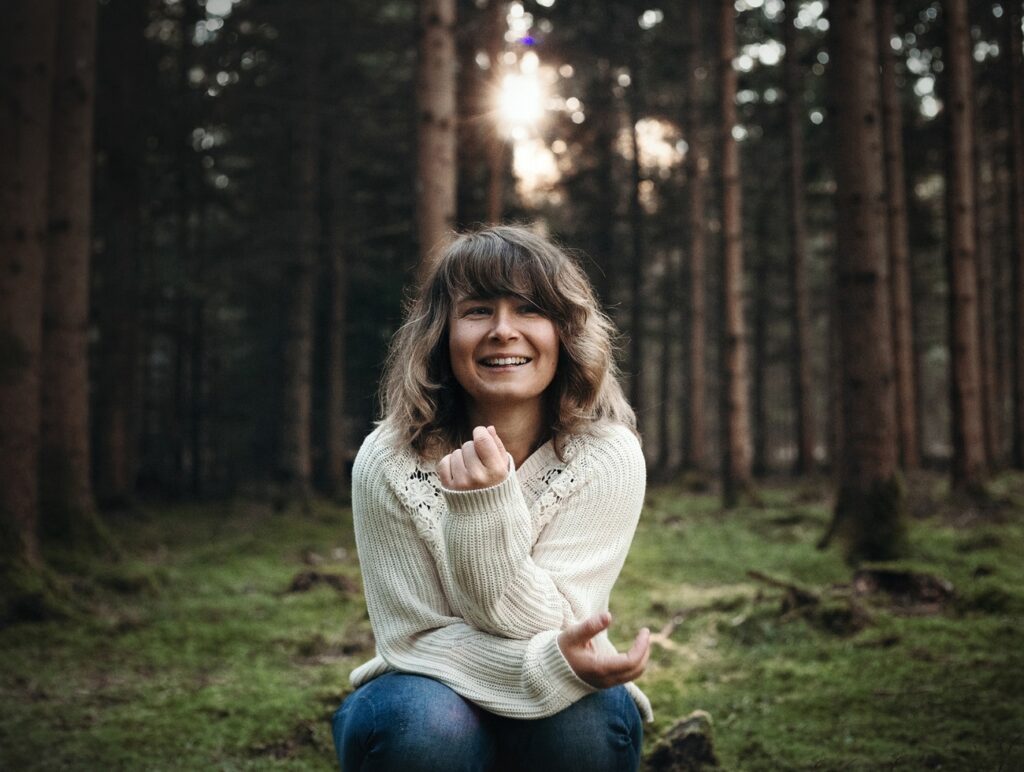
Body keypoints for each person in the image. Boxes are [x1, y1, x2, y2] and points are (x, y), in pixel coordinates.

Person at [331, 225, 652, 771]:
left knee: (586, 723)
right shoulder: (389, 460)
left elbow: (555, 619)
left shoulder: (607, 456)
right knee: (432, 728)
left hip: (564, 701)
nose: (504, 331)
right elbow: (414, 641)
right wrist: (550, 666)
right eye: (478, 310)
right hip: (420, 692)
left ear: (564, 332)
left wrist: (485, 509)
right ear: (441, 334)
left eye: (529, 309)